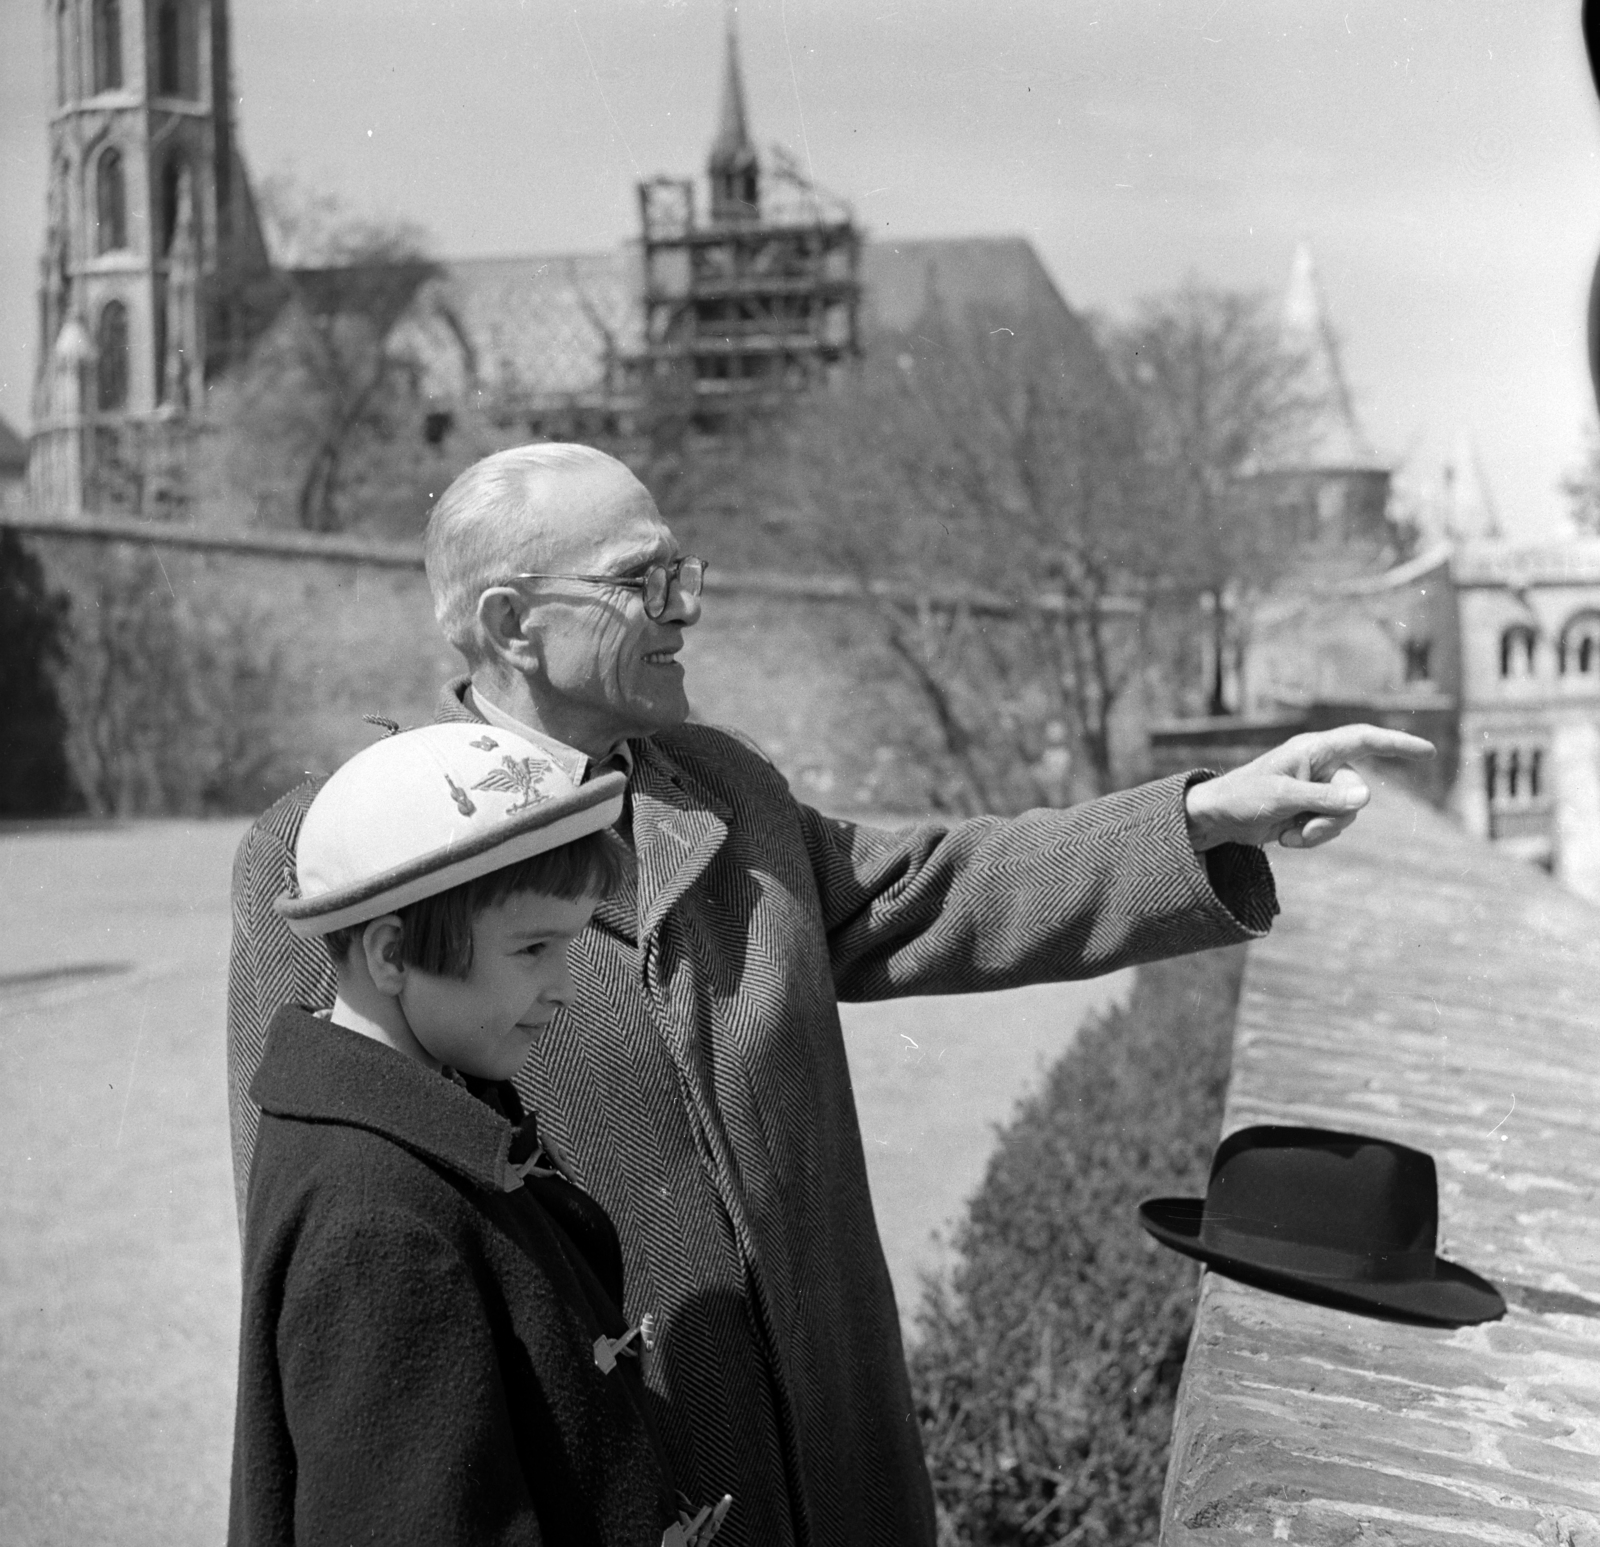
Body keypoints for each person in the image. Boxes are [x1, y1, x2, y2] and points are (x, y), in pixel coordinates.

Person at [227, 442, 1433, 1547]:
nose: (684, 611)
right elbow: (327, 1242)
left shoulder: (719, 786)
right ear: (511, 623)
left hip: (832, 1467)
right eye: (642, 584)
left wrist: (1200, 818)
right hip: (597, 1483)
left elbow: (929, 890)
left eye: (679, 574)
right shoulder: (338, 854)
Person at [229, 720, 732, 1547]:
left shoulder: (411, 1107)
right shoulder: (377, 1216)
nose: (563, 987)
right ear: (392, 953)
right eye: (532, 947)